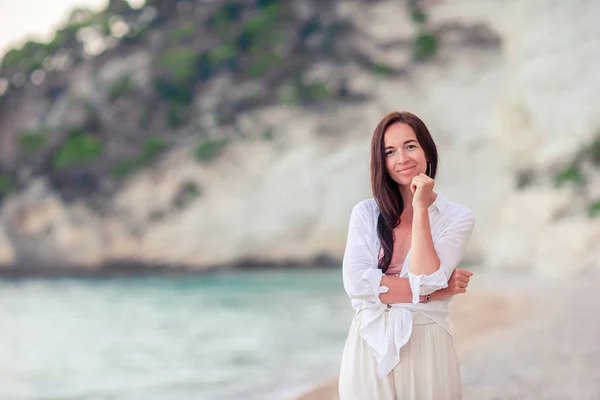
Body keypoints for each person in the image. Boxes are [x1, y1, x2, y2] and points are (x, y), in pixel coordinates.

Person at [338, 111, 475, 400]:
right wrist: (429, 295)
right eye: (390, 151)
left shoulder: (457, 217)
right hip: (368, 342)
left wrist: (421, 208)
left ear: (427, 149)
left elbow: (425, 279)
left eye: (410, 146)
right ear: (381, 162)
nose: (402, 158)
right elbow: (355, 284)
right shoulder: (365, 213)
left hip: (427, 341)